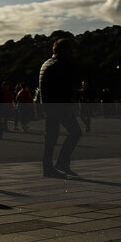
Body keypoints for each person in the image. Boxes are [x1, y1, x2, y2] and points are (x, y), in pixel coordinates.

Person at [38, 38, 83, 177]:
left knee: (51, 136)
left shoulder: (47, 63)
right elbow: (64, 89)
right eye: (69, 50)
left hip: (48, 104)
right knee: (74, 132)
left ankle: (52, 166)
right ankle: (56, 165)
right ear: (64, 50)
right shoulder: (60, 64)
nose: (71, 53)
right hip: (58, 105)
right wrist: (69, 107)